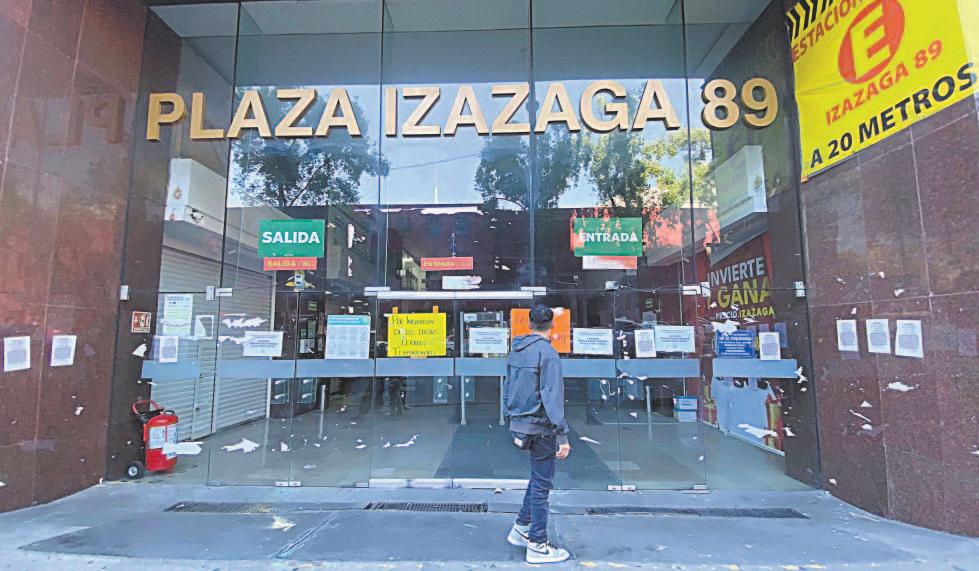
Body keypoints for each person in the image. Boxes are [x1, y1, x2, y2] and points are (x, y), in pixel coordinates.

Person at [502, 305, 571, 564]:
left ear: (529, 324)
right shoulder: (548, 353)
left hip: (520, 423)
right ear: (552, 325)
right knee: (542, 485)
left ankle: (521, 528)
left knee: (538, 477)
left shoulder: (517, 350)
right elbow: (552, 396)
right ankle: (538, 545)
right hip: (541, 427)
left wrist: (510, 417)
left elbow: (507, 386)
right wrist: (562, 434)